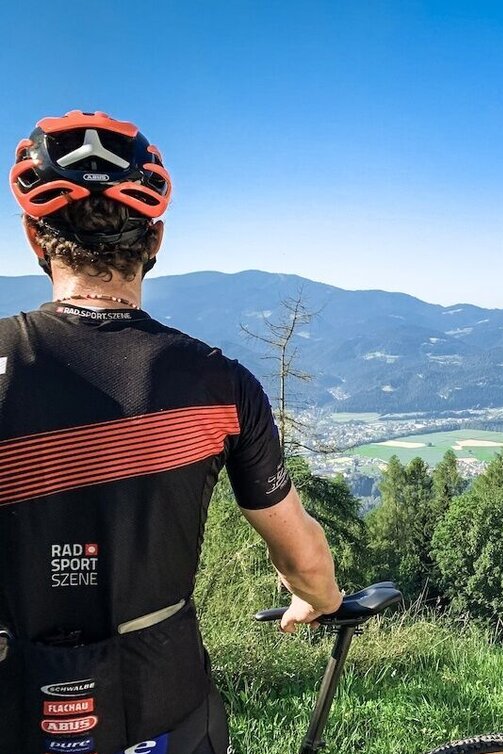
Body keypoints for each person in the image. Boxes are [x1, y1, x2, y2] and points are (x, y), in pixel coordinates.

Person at [0, 111, 344, 754]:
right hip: (167, 712)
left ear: (33, 238)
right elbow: (303, 559)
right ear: (154, 241)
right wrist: (316, 598)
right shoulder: (221, 385)